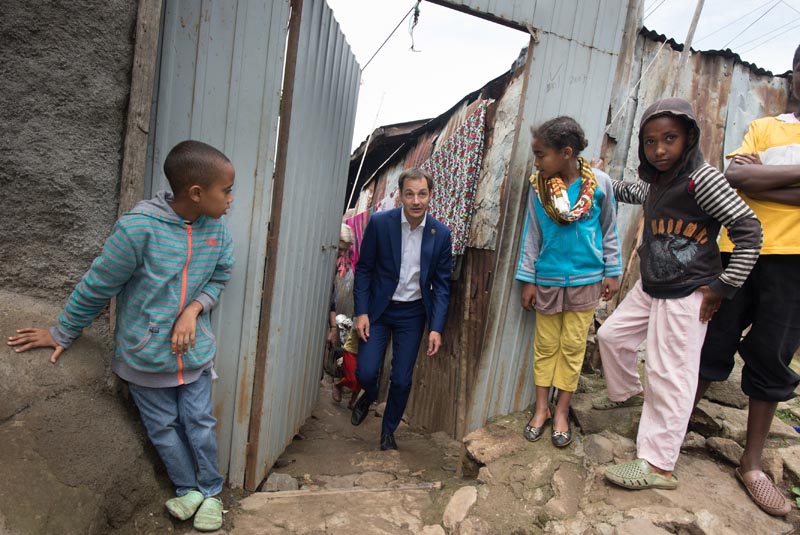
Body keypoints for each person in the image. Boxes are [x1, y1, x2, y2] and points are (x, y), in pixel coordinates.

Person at [7, 140, 235, 532]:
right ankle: (187, 489)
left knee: (199, 421)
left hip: (194, 353)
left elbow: (220, 274)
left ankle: (212, 492)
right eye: (226, 190)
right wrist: (62, 331)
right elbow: (99, 284)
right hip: (144, 358)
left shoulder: (216, 231)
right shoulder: (137, 229)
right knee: (163, 428)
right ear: (197, 193)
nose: (231, 199)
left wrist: (193, 310)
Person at [593, 98, 762, 491]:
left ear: (689, 137)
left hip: (688, 292)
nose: (660, 150)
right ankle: (628, 395)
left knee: (669, 374)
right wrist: (593, 176)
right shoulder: (657, 179)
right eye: (650, 142)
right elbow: (627, 191)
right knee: (611, 336)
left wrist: (723, 286)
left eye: (670, 138)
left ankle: (657, 464)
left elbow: (748, 230)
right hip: (653, 285)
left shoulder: (702, 179)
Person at [694, 44, 800, 516]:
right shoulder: (764, 127)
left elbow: (756, 179)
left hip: (795, 263)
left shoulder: (765, 143)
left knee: (772, 353)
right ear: (793, 73)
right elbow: (737, 177)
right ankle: (671, 433)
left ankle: (751, 463)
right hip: (740, 251)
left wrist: (767, 177)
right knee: (708, 340)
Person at [516, 116, 621, 447]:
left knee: (573, 347)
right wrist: (528, 279)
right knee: (545, 346)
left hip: (586, 280)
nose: (536, 162)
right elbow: (531, 236)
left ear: (566, 153)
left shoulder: (600, 184)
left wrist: (612, 270)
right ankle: (541, 408)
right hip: (547, 279)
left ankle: (562, 411)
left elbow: (609, 230)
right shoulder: (539, 189)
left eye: (540, 154)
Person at [350, 167, 452, 451]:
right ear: (400, 196)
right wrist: (361, 311)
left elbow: (442, 285)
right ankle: (369, 395)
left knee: (402, 378)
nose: (416, 201)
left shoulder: (441, 234)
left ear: (430, 196)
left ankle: (388, 431)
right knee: (367, 372)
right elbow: (364, 269)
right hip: (378, 311)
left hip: (414, 313)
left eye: (422, 194)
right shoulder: (381, 224)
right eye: (410, 194)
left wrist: (436, 327)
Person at [328, 224, 361, 409]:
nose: (341, 254)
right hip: (327, 317)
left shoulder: (345, 265)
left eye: (345, 250)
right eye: (340, 249)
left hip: (340, 317)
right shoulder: (327, 264)